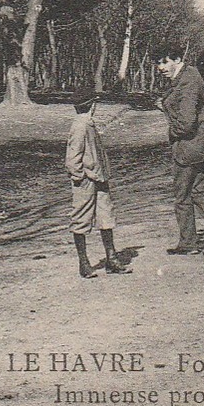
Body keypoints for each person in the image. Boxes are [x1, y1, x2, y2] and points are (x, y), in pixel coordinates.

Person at [157, 44, 204, 256]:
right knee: (200, 189)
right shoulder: (189, 75)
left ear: (176, 59)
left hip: (190, 147)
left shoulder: (187, 82)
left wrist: (171, 126)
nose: (160, 67)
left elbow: (186, 123)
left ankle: (188, 243)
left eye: (164, 62)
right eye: (158, 63)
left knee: (182, 195)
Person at [65, 87, 131, 279]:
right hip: (86, 180)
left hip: (99, 177)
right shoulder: (80, 126)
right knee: (81, 219)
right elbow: (72, 158)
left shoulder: (88, 123)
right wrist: (80, 178)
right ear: (92, 106)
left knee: (106, 216)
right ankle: (83, 262)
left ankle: (111, 258)